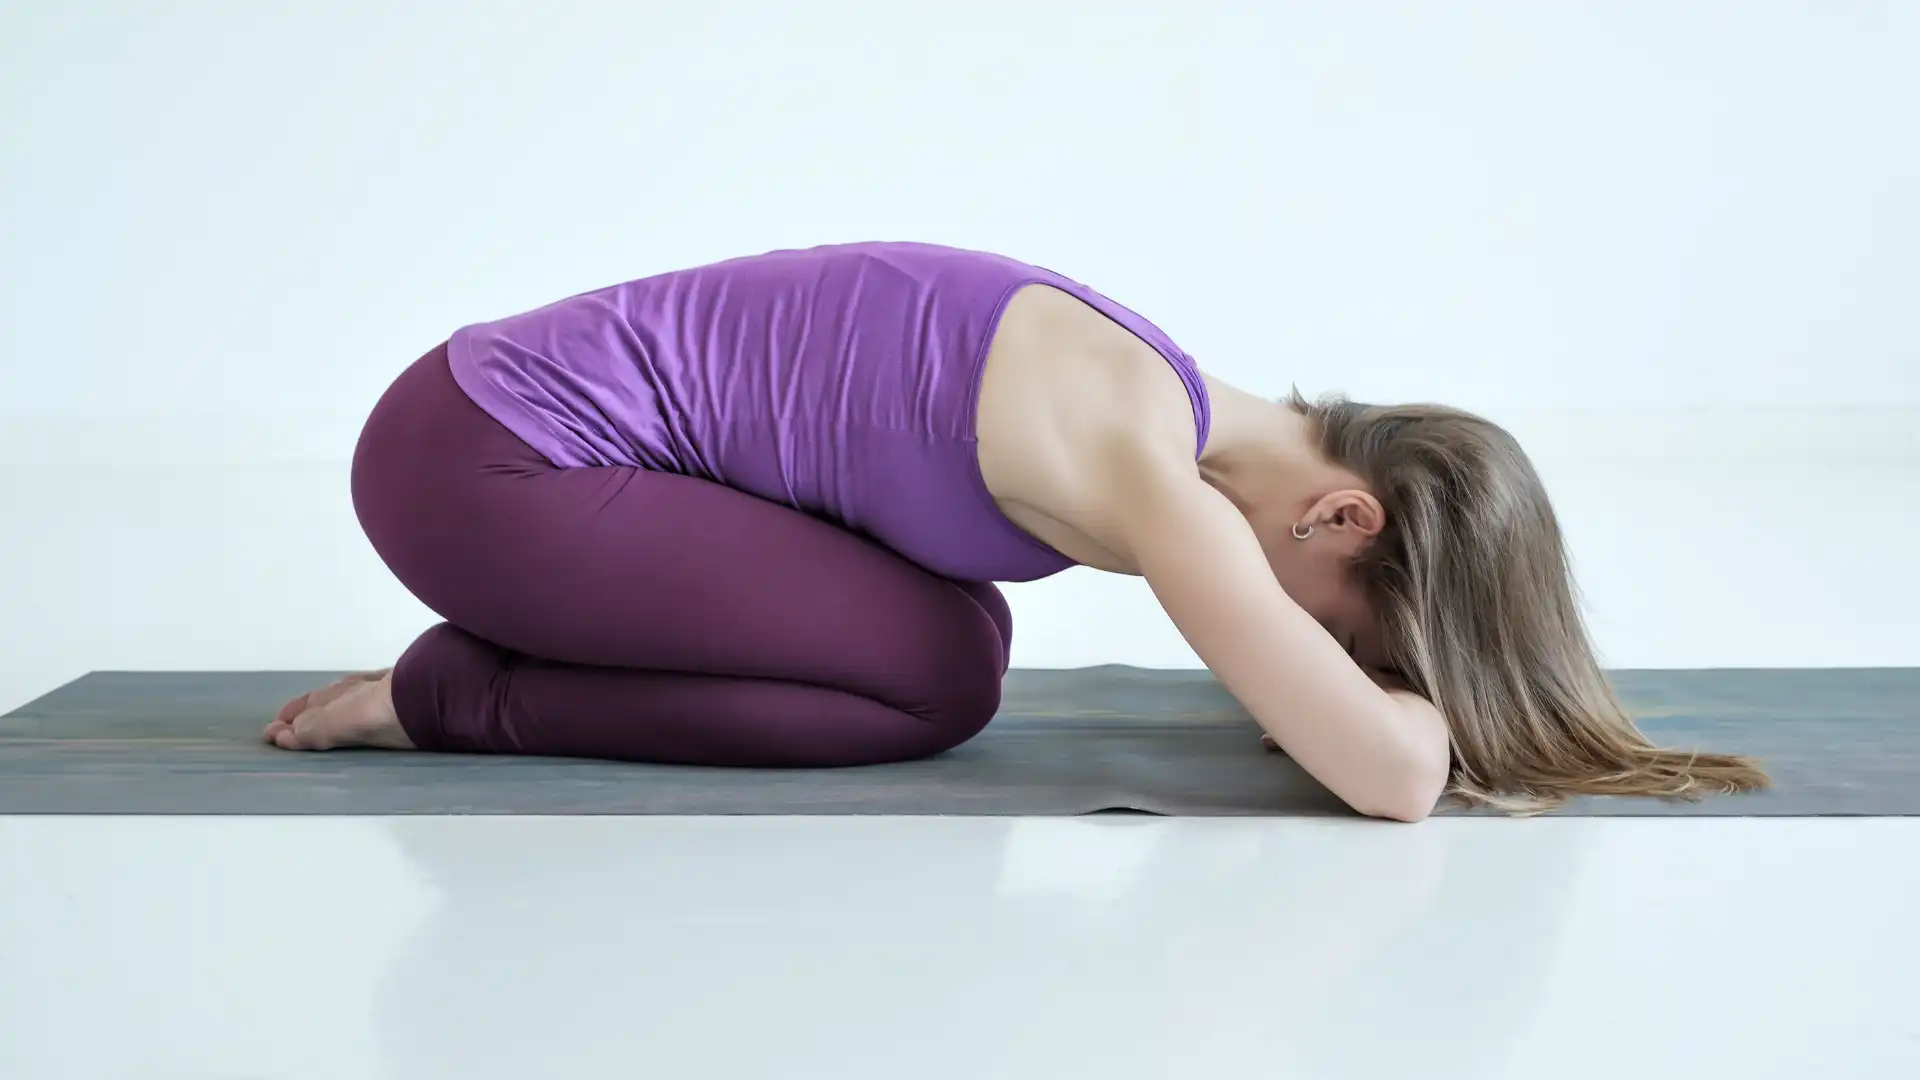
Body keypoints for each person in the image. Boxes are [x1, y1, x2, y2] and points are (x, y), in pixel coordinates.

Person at [264, 241, 1768, 820]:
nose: (1317, 655)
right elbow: (1389, 782)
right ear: (1341, 512)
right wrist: (1421, 720)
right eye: (1345, 630)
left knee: (957, 634)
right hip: (484, 466)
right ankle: (458, 694)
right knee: (938, 674)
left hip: (490, 443)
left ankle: (500, 650)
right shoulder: (1151, 463)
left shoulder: (1154, 391)